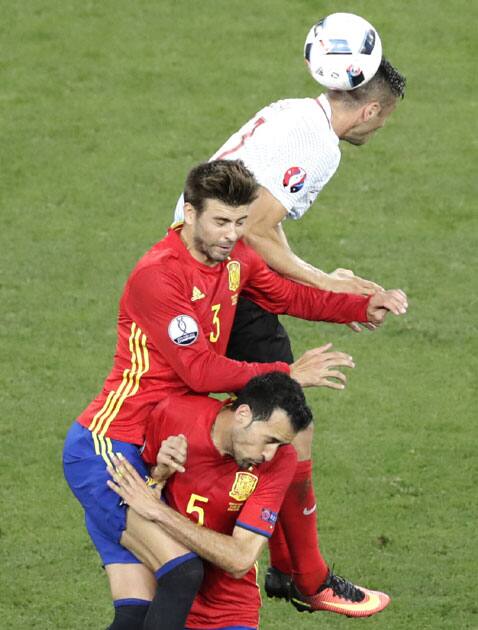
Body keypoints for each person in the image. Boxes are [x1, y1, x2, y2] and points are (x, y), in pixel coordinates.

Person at [63, 159, 407, 628]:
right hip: (112, 444)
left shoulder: (236, 259)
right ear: (190, 213)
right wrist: (287, 372)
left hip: (162, 441)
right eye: (221, 221)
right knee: (182, 575)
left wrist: (361, 304)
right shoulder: (159, 276)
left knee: (136, 614)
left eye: (241, 221)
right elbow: (200, 370)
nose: (231, 233)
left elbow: (287, 296)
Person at [172, 55, 407, 613]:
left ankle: (283, 566)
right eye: (385, 117)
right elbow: (252, 228)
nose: (381, 127)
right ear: (370, 108)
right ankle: (303, 575)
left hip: (209, 266)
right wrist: (329, 283)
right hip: (218, 274)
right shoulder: (321, 146)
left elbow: (259, 224)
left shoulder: (295, 112)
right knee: (284, 423)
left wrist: (332, 292)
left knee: (268, 416)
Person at [106, 372, 390, 630]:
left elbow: (240, 559)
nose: (270, 454)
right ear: (242, 414)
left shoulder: (279, 462)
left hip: (228, 613)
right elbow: (137, 493)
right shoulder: (174, 415)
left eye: (279, 444)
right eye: (269, 439)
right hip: (164, 596)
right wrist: (159, 474)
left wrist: (159, 512)